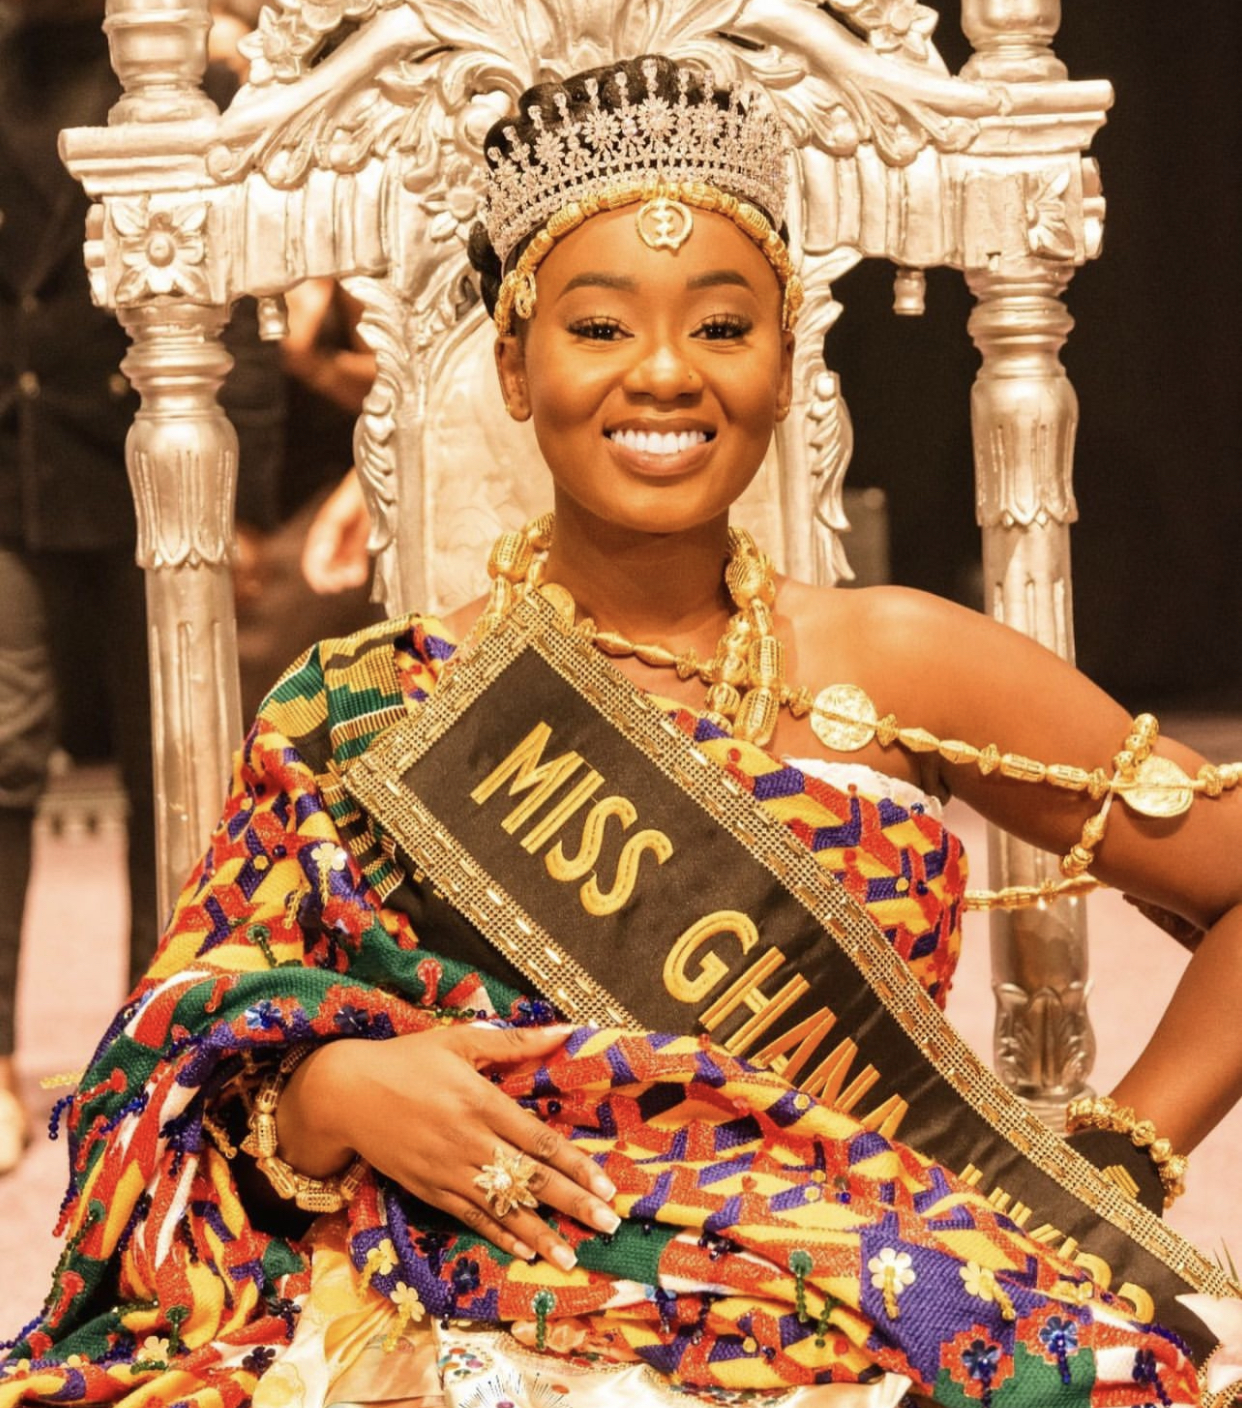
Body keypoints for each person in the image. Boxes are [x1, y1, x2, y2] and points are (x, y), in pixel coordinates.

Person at [2, 55, 1240, 1408]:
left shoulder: (900, 661)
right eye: (598, 327)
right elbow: (169, 1082)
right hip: (465, 1324)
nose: (663, 374)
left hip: (873, 1318)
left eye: (723, 326)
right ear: (514, 365)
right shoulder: (369, 710)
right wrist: (333, 1097)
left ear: (785, 365)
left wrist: (1113, 1164)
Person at [0, 0, 284, 1175]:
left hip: (149, 448)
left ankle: (152, 1050)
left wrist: (246, 494)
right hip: (11, 456)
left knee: (177, 754)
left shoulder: (186, 68)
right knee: (4, 744)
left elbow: (239, 292)